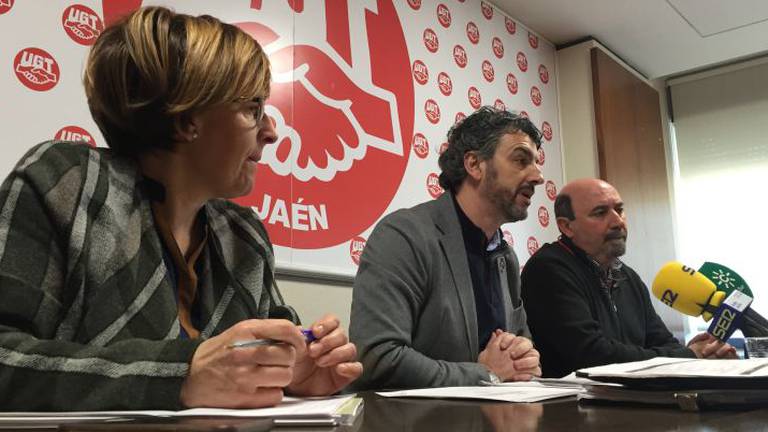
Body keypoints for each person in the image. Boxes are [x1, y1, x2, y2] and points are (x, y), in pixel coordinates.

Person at [0, 6, 361, 410]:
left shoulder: (244, 235)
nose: (272, 131)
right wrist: (180, 375)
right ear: (186, 118)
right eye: (252, 109)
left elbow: (260, 359)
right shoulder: (65, 183)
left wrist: (294, 374)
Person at [350, 107, 543, 389]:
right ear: (475, 165)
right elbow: (378, 358)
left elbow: (520, 348)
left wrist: (526, 359)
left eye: (536, 163)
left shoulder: (507, 257)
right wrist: (485, 374)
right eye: (521, 160)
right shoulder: (404, 235)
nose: (537, 176)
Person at [521, 178, 736, 378]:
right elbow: (592, 355)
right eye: (600, 213)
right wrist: (686, 356)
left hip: (633, 403)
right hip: (573, 410)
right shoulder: (549, 268)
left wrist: (694, 353)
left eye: (619, 210)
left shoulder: (626, 275)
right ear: (567, 226)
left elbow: (662, 341)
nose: (617, 222)